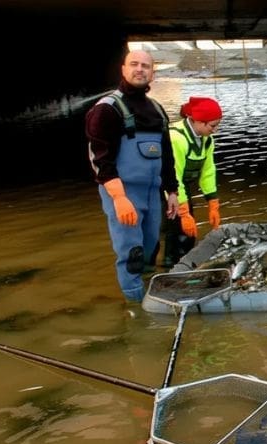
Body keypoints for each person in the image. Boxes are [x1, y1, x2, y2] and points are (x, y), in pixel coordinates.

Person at [86, 49, 179, 303]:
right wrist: (118, 198)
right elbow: (100, 159)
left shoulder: (157, 110)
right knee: (132, 252)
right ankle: (135, 307)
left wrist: (172, 191)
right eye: (134, 64)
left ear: (152, 73)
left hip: (152, 193)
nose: (140, 69)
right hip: (122, 192)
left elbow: (167, 155)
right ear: (123, 70)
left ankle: (149, 294)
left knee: (151, 248)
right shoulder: (106, 109)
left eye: (146, 66)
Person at [162, 96, 223, 267]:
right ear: (198, 122)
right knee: (176, 228)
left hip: (181, 186)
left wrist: (213, 203)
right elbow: (173, 176)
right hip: (165, 186)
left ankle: (184, 261)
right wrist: (183, 212)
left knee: (188, 234)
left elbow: (208, 171)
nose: (215, 130)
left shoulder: (207, 140)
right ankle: (171, 265)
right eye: (212, 126)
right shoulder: (176, 138)